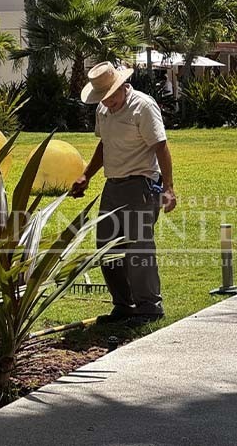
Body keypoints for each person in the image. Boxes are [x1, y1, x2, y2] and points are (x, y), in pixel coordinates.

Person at [71, 61, 177, 328]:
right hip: (113, 184)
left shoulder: (143, 106)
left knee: (138, 247)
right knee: (106, 246)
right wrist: (87, 174)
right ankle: (124, 305)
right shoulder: (103, 110)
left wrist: (169, 189)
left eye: (111, 97)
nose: (107, 103)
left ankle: (149, 307)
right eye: (102, 99)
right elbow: (104, 144)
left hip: (141, 183)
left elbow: (161, 147)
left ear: (122, 87)